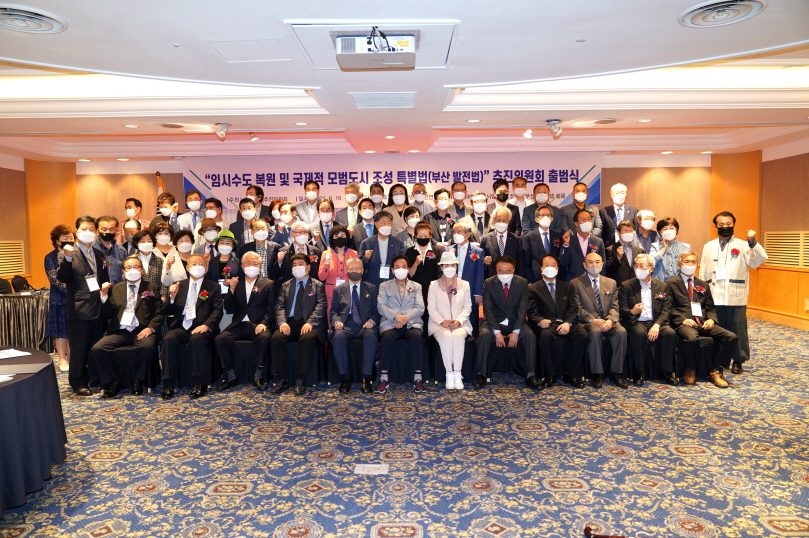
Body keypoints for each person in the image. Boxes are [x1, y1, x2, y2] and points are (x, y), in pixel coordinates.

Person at [699, 211, 767, 374]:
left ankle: (738, 360)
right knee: (715, 328)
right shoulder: (708, 246)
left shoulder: (744, 245)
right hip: (714, 293)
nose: (725, 227)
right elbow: (703, 271)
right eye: (721, 224)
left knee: (737, 328)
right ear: (715, 226)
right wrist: (701, 293)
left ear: (734, 225)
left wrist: (753, 242)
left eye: (728, 224)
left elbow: (758, 260)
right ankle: (717, 358)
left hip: (735, 294)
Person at [92, 256, 163, 398]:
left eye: (136, 267)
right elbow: (108, 313)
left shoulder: (152, 288)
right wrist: (104, 296)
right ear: (123, 272)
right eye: (128, 268)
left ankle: (138, 380)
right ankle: (115, 381)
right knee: (98, 349)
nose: (132, 270)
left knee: (147, 347)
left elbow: (159, 313)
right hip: (120, 330)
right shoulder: (115, 288)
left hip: (142, 329)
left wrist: (150, 328)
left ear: (142, 270)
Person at [667, 251, 738, 388]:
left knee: (731, 337)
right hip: (685, 323)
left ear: (697, 264)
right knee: (692, 338)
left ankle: (716, 370)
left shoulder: (703, 284)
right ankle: (690, 369)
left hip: (703, 323)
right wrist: (682, 320)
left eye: (693, 262)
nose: (690, 264)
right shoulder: (670, 283)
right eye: (686, 261)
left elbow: (710, 307)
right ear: (679, 264)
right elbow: (668, 308)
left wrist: (711, 320)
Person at [57, 216, 110, 396]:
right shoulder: (67, 253)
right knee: (79, 349)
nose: (88, 232)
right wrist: (68, 258)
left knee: (96, 347)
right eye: (84, 229)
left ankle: (95, 378)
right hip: (79, 309)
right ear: (76, 231)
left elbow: (103, 278)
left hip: (99, 306)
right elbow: (63, 278)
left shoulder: (100, 254)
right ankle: (78, 382)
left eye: (91, 229)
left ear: (96, 232)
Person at [160, 254, 223, 400]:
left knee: (197, 339)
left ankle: (200, 383)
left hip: (202, 326)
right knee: (168, 339)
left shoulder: (213, 287)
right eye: (194, 264)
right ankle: (168, 383)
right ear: (188, 268)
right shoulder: (179, 285)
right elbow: (167, 311)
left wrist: (206, 325)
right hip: (181, 326)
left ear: (206, 268)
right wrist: (171, 297)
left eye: (201, 264)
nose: (197, 267)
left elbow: (217, 311)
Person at [215, 251, 276, 392]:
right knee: (220, 340)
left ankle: (258, 376)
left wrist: (264, 323)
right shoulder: (237, 283)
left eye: (255, 263)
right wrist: (231, 290)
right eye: (249, 263)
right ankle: (231, 376)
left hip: (258, 324)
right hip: (239, 324)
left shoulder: (268, 284)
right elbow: (228, 307)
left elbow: (272, 308)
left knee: (264, 339)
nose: (252, 266)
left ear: (260, 266)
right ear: (242, 267)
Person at [473, 256, 537, 389]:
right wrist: (497, 333)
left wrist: (516, 331)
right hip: (494, 321)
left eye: (507, 271)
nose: (504, 274)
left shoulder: (522, 282)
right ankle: (481, 373)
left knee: (530, 335)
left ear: (513, 269)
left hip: (516, 321)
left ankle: (531, 375)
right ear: (496, 270)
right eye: (500, 271)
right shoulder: (489, 283)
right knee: (484, 335)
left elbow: (522, 308)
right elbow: (488, 309)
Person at [527, 254, 588, 388]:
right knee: (545, 336)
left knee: (582, 335)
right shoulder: (533, 288)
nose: (550, 267)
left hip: (566, 322)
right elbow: (531, 310)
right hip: (547, 323)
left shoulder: (567, 286)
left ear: (558, 268)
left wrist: (568, 323)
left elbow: (573, 307)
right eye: (547, 265)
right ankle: (550, 375)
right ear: (541, 268)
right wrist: (540, 321)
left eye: (553, 265)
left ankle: (570, 374)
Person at [270, 253, 328, 395]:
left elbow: (321, 306)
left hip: (309, 323)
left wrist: (310, 322)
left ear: (308, 267)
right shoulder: (285, 285)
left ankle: (301, 379)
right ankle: (282, 379)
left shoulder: (318, 285)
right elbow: (279, 306)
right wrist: (282, 322)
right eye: (294, 265)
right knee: (276, 339)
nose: (297, 267)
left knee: (307, 339)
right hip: (289, 323)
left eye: (300, 264)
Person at [618, 253, 678, 386]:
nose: (638, 268)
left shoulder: (662, 286)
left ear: (651, 268)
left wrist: (657, 325)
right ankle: (639, 371)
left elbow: (666, 309)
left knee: (670, 333)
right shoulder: (626, 285)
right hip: (636, 321)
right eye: (636, 266)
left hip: (656, 321)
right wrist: (632, 312)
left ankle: (666, 371)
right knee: (639, 334)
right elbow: (621, 309)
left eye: (642, 266)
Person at [571, 253, 628, 389]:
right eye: (590, 262)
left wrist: (610, 320)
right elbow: (576, 308)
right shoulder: (575, 283)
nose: (594, 265)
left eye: (597, 262)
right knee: (595, 332)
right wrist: (593, 320)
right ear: (584, 265)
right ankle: (596, 373)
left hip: (608, 321)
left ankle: (616, 373)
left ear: (602, 264)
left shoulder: (611, 282)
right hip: (588, 322)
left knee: (621, 332)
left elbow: (615, 306)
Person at [375, 255, 426, 394]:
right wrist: (397, 317)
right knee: (387, 338)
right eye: (397, 267)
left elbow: (420, 308)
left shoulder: (416, 286)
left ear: (408, 269)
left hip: (412, 323)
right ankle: (384, 377)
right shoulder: (384, 286)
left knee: (417, 337)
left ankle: (418, 377)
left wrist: (405, 318)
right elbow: (381, 306)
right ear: (392, 270)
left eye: (404, 267)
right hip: (391, 323)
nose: (401, 269)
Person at [329, 257, 379, 393]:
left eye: (357, 268)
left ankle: (366, 377)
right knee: (337, 338)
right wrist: (336, 321)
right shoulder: (338, 289)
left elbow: (376, 310)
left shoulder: (371, 288)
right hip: (346, 324)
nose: (354, 271)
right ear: (346, 271)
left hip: (365, 324)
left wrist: (372, 321)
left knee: (371, 338)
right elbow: (333, 311)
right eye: (351, 268)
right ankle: (345, 378)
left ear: (362, 271)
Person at [428, 251, 473, 391]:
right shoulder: (433, 285)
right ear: (441, 267)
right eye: (446, 265)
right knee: (446, 336)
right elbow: (431, 307)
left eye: (452, 265)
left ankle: (457, 373)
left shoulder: (464, 285)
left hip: (460, 324)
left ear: (456, 266)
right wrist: (441, 321)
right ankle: (449, 373)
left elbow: (467, 307)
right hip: (438, 324)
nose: (449, 268)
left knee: (458, 336)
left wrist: (459, 321)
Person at [449, 218, 484, 335]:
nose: (455, 234)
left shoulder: (478, 251)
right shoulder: (448, 250)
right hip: (452, 289)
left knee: (472, 322)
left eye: (459, 232)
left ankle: (472, 342)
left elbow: (479, 273)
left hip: (470, 290)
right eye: (454, 232)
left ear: (467, 234)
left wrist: (478, 293)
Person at [46, 225, 74, 372]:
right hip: (60, 298)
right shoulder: (50, 257)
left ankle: (71, 358)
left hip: (75, 300)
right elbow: (55, 279)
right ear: (57, 241)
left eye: (71, 238)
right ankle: (62, 359)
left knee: (73, 330)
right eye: (65, 238)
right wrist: (72, 291)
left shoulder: (76, 254)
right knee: (61, 331)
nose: (69, 240)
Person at [406, 222, 443, 324]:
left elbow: (439, 273)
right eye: (420, 236)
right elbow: (409, 275)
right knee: (416, 318)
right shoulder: (410, 252)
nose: (423, 238)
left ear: (430, 236)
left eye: (426, 236)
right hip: (414, 291)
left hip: (432, 291)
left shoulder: (437, 251)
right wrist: (416, 263)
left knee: (431, 317)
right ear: (415, 236)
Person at [317, 224, 359, 315]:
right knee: (332, 316)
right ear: (332, 238)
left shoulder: (354, 253)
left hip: (349, 291)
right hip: (331, 292)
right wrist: (326, 263)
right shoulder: (326, 254)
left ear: (347, 237)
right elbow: (321, 277)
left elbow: (358, 275)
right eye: (336, 236)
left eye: (342, 235)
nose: (339, 238)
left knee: (348, 316)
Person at [359, 211, 405, 288]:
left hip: (392, 281)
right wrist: (366, 258)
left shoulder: (398, 243)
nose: (386, 226)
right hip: (372, 282)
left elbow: (402, 264)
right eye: (383, 223)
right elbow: (361, 266)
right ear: (376, 224)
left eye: (389, 223)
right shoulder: (366, 243)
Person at [560, 209, 606, 281]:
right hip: (574, 280)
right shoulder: (569, 240)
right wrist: (566, 245)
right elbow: (563, 262)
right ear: (576, 224)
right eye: (583, 220)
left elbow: (603, 265)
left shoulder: (598, 241)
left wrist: (603, 281)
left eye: (589, 219)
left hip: (593, 280)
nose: (587, 222)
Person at [522, 205, 564, 284]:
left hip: (555, 277)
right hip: (536, 278)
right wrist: (529, 281)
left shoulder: (557, 236)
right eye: (542, 215)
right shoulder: (529, 237)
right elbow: (526, 262)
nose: (545, 217)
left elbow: (560, 258)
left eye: (548, 215)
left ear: (552, 219)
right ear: (536, 219)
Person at [480, 207, 523, 278]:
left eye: (504, 220)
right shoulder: (485, 239)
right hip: (492, 278)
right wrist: (484, 261)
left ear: (508, 221)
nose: (501, 223)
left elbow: (520, 263)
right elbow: (481, 260)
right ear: (494, 221)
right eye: (499, 220)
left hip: (512, 278)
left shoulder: (516, 240)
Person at [606, 220, 646, 286]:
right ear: (619, 233)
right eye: (625, 230)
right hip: (619, 286)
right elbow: (608, 270)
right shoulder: (610, 250)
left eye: (631, 230)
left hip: (636, 285)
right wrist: (618, 258)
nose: (628, 233)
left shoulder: (640, 251)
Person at [649, 217, 691, 281]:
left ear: (676, 230)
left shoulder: (685, 247)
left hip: (680, 282)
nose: (668, 231)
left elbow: (690, 265)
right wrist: (664, 248)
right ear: (660, 232)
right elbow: (651, 263)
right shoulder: (655, 246)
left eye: (671, 228)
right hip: (661, 282)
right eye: (665, 229)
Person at [600, 183, 639, 248]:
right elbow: (602, 232)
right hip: (609, 247)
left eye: (622, 192)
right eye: (617, 193)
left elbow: (636, 230)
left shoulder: (634, 211)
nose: (620, 195)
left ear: (626, 195)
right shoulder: (603, 211)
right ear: (611, 195)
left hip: (629, 246)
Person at [132, 229, 167, 295]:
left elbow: (164, 280)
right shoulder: (131, 260)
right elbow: (125, 278)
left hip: (155, 295)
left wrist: (164, 295)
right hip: (137, 294)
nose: (146, 243)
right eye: (143, 241)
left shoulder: (159, 260)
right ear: (137, 243)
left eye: (149, 241)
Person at [95, 215, 128, 285]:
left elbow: (126, 272)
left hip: (117, 289)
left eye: (111, 229)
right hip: (98, 290)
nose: (108, 232)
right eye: (104, 229)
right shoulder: (91, 249)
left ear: (116, 230)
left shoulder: (122, 251)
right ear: (97, 230)